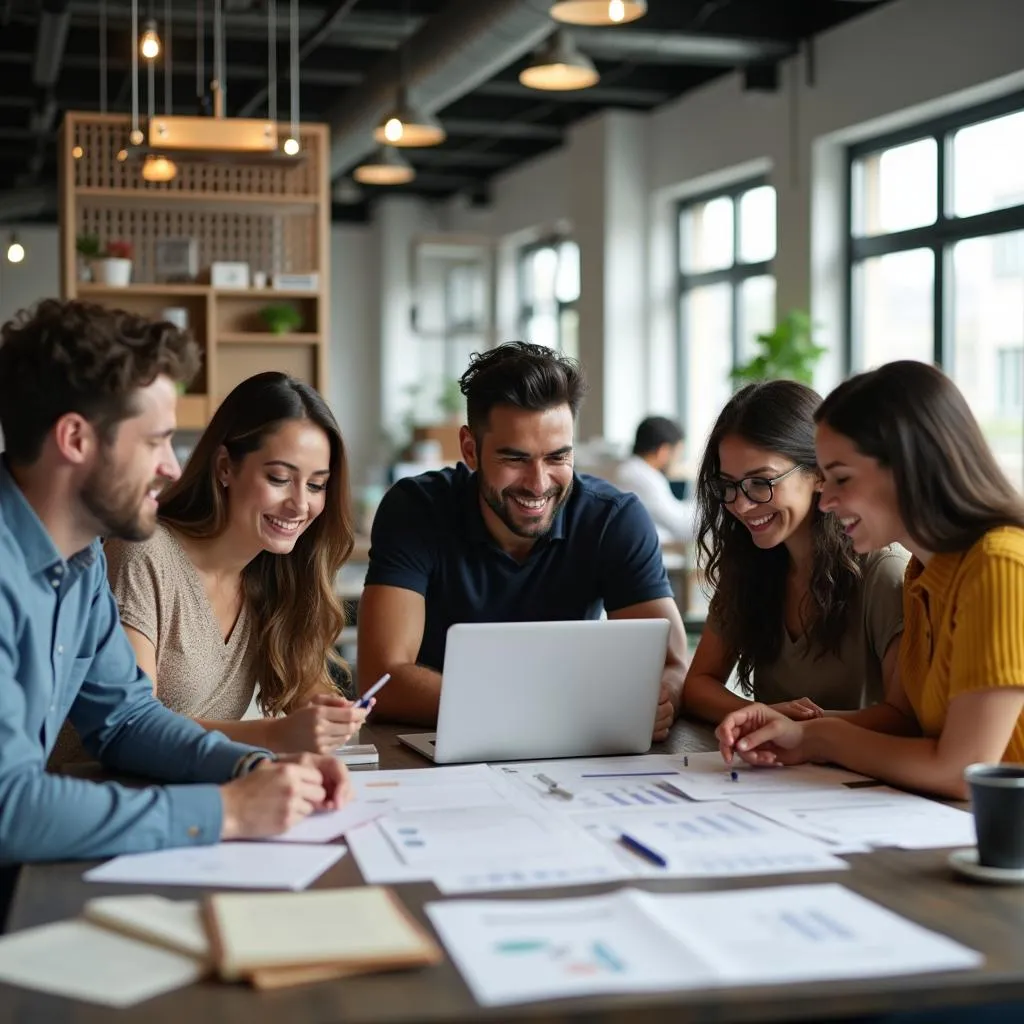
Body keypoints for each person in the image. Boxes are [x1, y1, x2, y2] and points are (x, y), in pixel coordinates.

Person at [0, 300, 348, 911]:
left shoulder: (78, 561)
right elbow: (9, 806)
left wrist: (250, 769)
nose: (169, 465)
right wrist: (224, 811)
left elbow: (128, 719)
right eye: (156, 441)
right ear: (76, 439)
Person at [716, 361, 1024, 799]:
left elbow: (963, 771)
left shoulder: (999, 564)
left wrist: (817, 738)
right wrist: (802, 735)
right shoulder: (925, 575)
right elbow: (915, 728)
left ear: (910, 469)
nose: (825, 501)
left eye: (841, 478)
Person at [357, 342, 689, 742]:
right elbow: (382, 682)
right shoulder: (416, 509)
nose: (538, 484)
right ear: (470, 450)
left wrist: (658, 699)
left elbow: (670, 664)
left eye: (557, 458)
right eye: (515, 459)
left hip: (575, 752)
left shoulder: (612, 519)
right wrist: (560, 711)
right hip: (434, 747)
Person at [88, 372, 366, 756]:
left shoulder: (275, 572)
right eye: (280, 478)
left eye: (316, 485)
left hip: (202, 798)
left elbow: (306, 690)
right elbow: (132, 724)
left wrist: (327, 715)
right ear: (224, 467)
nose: (301, 504)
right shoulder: (142, 552)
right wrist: (273, 735)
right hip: (104, 796)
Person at [681, 379, 908, 724]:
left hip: (857, 776)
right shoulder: (750, 563)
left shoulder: (883, 571)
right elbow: (697, 685)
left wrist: (796, 731)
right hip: (773, 772)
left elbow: (902, 718)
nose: (741, 505)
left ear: (819, 473)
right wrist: (763, 717)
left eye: (761, 482)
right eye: (728, 485)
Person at [615, 415, 695, 543]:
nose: (678, 461)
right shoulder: (643, 477)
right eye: (677, 454)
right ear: (663, 451)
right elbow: (682, 527)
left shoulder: (633, 470)